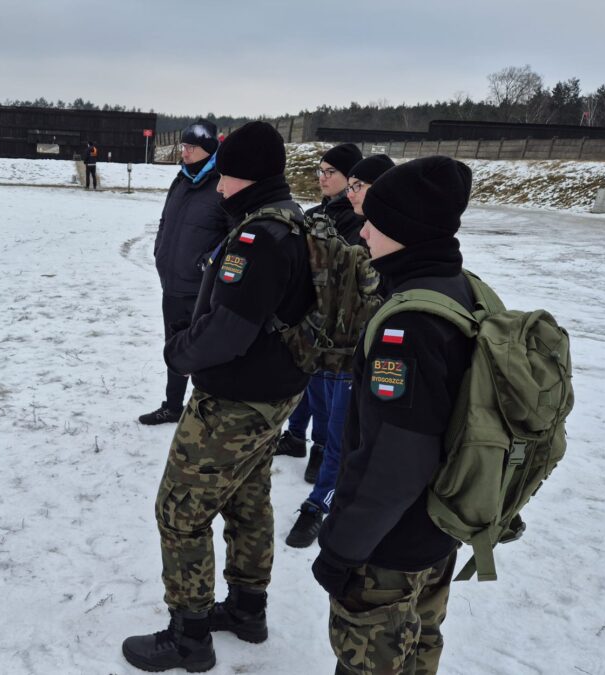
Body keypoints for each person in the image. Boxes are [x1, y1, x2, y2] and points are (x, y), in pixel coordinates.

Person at [122, 122, 314, 672]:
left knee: (179, 512)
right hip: (273, 396)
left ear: (245, 176)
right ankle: (249, 611)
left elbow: (227, 331)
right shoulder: (290, 222)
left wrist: (178, 352)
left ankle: (189, 637)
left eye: (226, 175)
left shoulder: (258, 238)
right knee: (248, 501)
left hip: (234, 401)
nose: (220, 186)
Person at [313, 156, 474, 674]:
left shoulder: (407, 325)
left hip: (391, 543)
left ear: (404, 229)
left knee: (370, 661)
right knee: (419, 649)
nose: (362, 229)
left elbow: (397, 457)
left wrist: (342, 547)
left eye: (375, 220)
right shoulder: (459, 288)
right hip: (437, 526)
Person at [283, 153, 395, 550]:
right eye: (350, 186)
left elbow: (366, 284)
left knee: (339, 435)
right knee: (325, 418)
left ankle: (320, 503)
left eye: (356, 186)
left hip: (356, 354)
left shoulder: (385, 234)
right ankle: (311, 460)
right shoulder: (348, 220)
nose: (350, 193)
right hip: (329, 343)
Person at [140, 120, 227, 425]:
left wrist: (206, 263)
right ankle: (173, 405)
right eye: (184, 146)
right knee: (174, 348)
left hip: (204, 288)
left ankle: (206, 411)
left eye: (191, 147)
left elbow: (231, 236)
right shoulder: (180, 180)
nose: (184, 152)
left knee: (205, 351)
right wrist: (159, 250)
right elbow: (166, 221)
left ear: (208, 150)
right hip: (173, 282)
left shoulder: (221, 184)